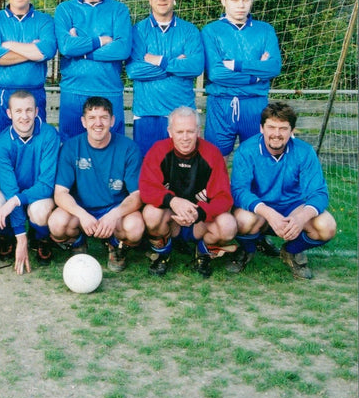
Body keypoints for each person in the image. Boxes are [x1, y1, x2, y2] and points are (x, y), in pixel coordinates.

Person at [228, 102, 336, 279]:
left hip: (292, 209)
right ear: (262, 128)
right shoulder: (246, 150)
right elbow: (239, 190)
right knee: (241, 220)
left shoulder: (304, 151)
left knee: (327, 226)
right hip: (260, 211)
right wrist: (269, 213)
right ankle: (247, 250)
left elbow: (319, 193)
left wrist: (301, 218)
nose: (276, 134)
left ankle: (291, 251)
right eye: (271, 127)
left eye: (283, 128)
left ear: (292, 131)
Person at [139, 106, 237, 278]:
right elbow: (146, 188)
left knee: (228, 225)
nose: (185, 138)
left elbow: (224, 198)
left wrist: (199, 212)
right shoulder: (158, 150)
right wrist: (173, 201)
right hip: (171, 220)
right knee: (150, 213)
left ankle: (202, 252)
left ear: (198, 131)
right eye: (179, 132)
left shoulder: (212, 153)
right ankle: (163, 252)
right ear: (170, 132)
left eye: (190, 131)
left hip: (200, 222)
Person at [48, 96, 143, 271]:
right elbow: (60, 193)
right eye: (92, 118)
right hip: (82, 209)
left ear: (112, 120)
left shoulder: (129, 148)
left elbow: (137, 196)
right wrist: (82, 214)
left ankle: (115, 245)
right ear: (83, 122)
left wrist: (114, 215)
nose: (97, 123)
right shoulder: (71, 147)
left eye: (103, 117)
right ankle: (78, 243)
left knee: (135, 228)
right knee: (57, 224)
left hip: (114, 209)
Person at [0, 0, 56, 187]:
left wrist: (10, 46)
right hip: (0, 91)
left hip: (33, 91)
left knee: (35, 139)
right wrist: (31, 51)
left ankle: (32, 191)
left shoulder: (44, 21)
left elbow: (47, 51)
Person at [54, 0, 131, 141]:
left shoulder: (119, 10)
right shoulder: (64, 10)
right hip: (74, 93)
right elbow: (66, 47)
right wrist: (101, 40)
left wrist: (83, 50)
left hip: (108, 91)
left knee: (111, 155)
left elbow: (122, 49)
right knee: (72, 153)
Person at [126, 0, 204, 156]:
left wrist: (160, 61)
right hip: (147, 114)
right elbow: (134, 70)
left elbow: (195, 67)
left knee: (181, 177)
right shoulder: (137, 31)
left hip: (181, 116)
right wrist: (176, 66)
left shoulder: (190, 31)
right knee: (149, 174)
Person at [202, 0, 281, 156]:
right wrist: (256, 74)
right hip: (221, 104)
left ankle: (248, 186)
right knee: (215, 158)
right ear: (223, 0)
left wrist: (236, 65)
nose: (241, 5)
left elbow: (274, 67)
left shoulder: (265, 30)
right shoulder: (211, 31)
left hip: (255, 104)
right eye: (235, 0)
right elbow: (216, 73)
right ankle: (219, 186)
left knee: (256, 157)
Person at [0, 90, 60, 274]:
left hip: (39, 193)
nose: (24, 116)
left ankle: (41, 238)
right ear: (9, 114)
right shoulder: (0, 143)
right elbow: (10, 190)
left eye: (28, 110)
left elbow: (46, 184)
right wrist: (20, 236)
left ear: (36, 111)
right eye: (18, 111)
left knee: (39, 212)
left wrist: (16, 201)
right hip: (13, 191)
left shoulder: (50, 135)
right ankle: (8, 237)